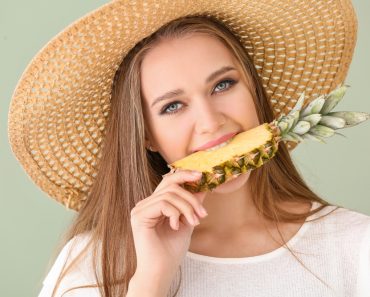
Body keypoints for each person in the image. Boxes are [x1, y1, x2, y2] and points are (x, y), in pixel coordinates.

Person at [7, 1, 370, 297]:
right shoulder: (92, 264)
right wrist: (151, 278)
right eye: (173, 106)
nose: (210, 121)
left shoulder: (355, 246)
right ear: (146, 135)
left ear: (255, 93)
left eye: (223, 84)